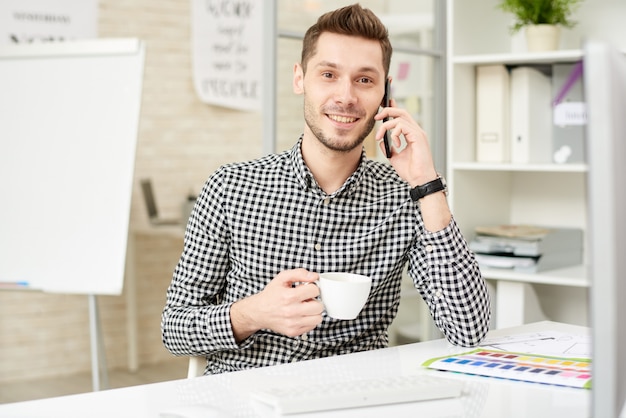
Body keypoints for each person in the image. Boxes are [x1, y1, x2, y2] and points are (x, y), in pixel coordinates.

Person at [161, 3, 490, 375]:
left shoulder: (406, 196)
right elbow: (175, 328)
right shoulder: (230, 187)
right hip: (248, 397)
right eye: (329, 74)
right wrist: (252, 313)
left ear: (385, 92)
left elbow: (470, 331)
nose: (346, 96)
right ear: (300, 78)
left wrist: (426, 182)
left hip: (356, 397)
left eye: (364, 80)